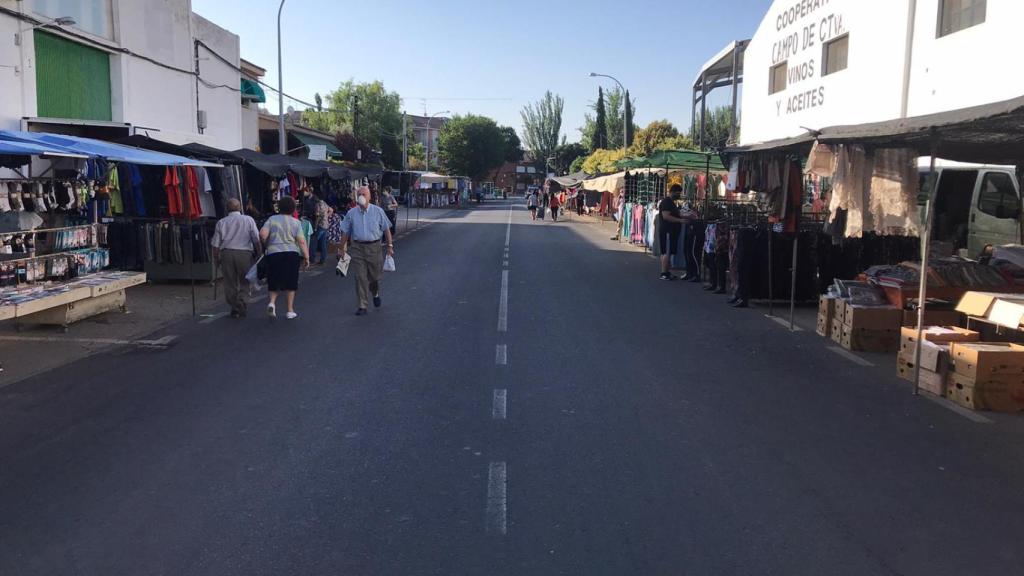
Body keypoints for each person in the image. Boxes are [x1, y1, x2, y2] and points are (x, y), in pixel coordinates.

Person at [338, 186, 395, 316]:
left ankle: (375, 293)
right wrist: (341, 249)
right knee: (360, 277)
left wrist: (390, 246)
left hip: (374, 247)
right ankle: (362, 305)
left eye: (364, 194)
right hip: (357, 248)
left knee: (375, 277)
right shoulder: (351, 213)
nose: (361, 197)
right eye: (359, 194)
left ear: (369, 197)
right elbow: (345, 231)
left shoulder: (378, 211)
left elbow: (386, 229)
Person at [210, 198, 261, 318]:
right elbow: (256, 239)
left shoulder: (221, 222)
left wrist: (216, 258)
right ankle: (242, 300)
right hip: (244, 254)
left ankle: (235, 305)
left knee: (230, 282)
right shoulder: (248, 220)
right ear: (240, 207)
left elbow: (215, 244)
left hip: (227, 253)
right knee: (245, 280)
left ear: (227, 209)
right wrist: (259, 253)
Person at [260, 196, 309, 319]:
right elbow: (301, 241)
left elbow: (262, 234)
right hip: (291, 253)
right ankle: (290, 310)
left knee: (274, 279)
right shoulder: (296, 222)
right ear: (293, 208)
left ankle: (272, 302)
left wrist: (267, 244)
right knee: (291, 281)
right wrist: (306, 256)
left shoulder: (272, 219)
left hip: (273, 253)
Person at [658, 184, 692, 280]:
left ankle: (667, 272)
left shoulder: (671, 202)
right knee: (666, 252)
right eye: (678, 193)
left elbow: (676, 214)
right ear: (672, 192)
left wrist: (687, 216)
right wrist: (680, 220)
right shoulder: (666, 202)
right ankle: (664, 273)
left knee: (668, 252)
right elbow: (666, 216)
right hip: (667, 231)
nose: (679, 195)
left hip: (671, 231)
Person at [310, 196, 331, 266]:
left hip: (320, 225)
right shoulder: (325, 203)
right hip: (325, 225)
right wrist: (326, 216)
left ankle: (312, 259)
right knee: (323, 243)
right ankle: (323, 260)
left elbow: (317, 217)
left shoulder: (318, 204)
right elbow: (331, 210)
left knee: (313, 242)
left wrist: (315, 227)